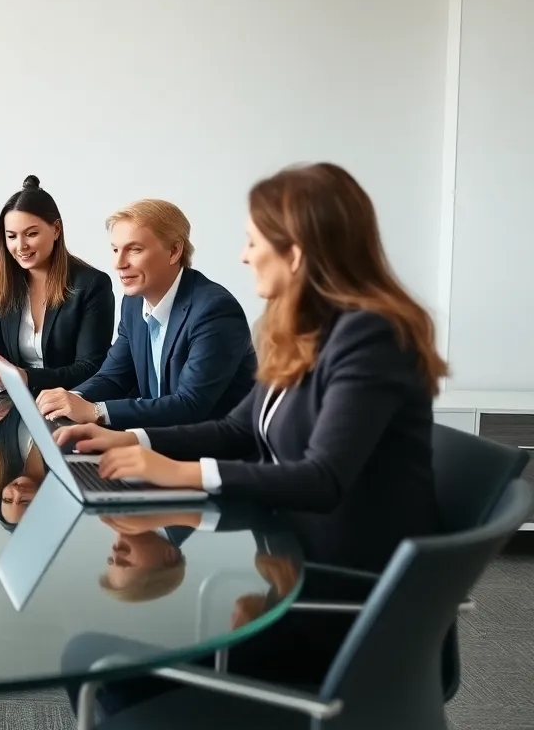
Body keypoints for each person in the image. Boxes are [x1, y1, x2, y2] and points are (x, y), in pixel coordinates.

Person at [54, 162, 446, 719]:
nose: (243, 256)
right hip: (290, 579)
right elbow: (239, 429)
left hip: (344, 614)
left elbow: (322, 478)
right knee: (95, 658)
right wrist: (126, 439)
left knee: (96, 666)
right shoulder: (307, 332)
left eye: (253, 241)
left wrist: (181, 472)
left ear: (297, 253)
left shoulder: (370, 336)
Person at [36, 199, 256, 428]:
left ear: (174, 251)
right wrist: (71, 399)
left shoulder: (214, 310)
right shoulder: (133, 303)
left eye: (134, 249)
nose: (119, 263)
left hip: (214, 446)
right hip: (159, 438)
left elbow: (190, 406)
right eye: (115, 249)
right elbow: (113, 377)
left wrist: (95, 411)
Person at [0, 176, 114, 394]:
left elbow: (90, 367)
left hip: (71, 401)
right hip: (16, 401)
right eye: (12, 236)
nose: (21, 246)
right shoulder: (1, 283)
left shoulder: (92, 284)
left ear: (56, 229)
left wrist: (26, 377)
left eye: (31, 234)